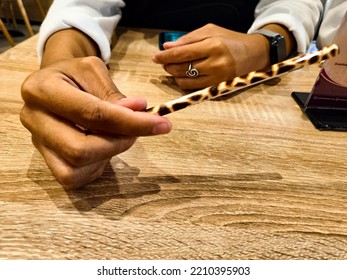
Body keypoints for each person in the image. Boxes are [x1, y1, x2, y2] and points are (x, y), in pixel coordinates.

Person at [20, 0, 325, 188]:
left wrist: (264, 45)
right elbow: (82, 5)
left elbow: (296, 4)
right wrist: (61, 66)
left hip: (262, 121)